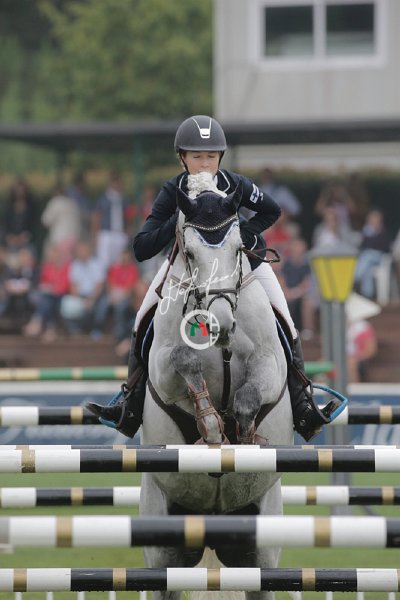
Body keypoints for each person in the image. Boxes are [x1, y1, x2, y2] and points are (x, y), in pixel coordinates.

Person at [90, 115, 334, 442]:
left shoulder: (235, 184)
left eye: (211, 156)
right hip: (188, 268)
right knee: (141, 318)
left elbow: (272, 210)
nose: (204, 164)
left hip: (243, 265)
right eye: (196, 156)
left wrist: (242, 236)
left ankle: (303, 403)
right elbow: (142, 246)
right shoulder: (174, 190)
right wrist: (178, 223)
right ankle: (130, 405)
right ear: (182, 158)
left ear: (220, 157)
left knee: (285, 319)